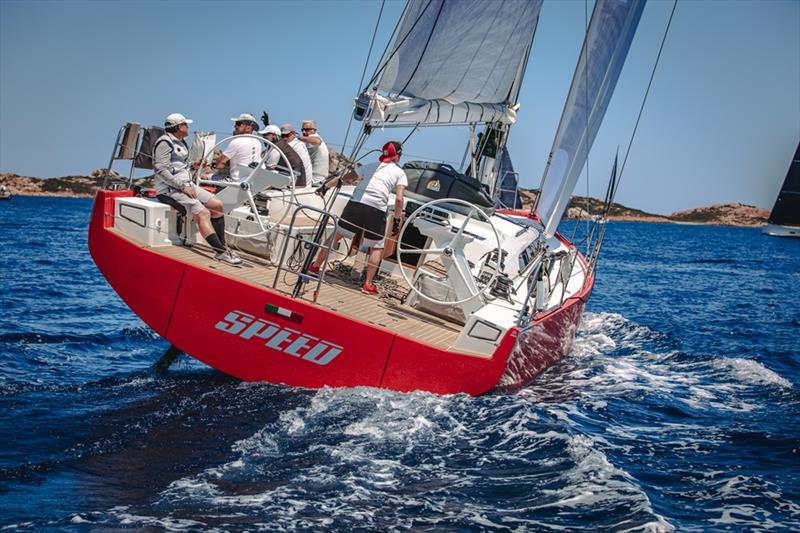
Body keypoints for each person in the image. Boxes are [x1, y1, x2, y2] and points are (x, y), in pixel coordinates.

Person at [309, 141, 407, 294]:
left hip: (356, 203)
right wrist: (396, 219)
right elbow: (399, 199)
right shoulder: (400, 173)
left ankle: (315, 266)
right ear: (398, 156)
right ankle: (367, 284)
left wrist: (326, 186)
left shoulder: (369, 166)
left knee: (337, 235)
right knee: (376, 246)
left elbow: (345, 178)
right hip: (376, 208)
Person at [153, 113, 242, 265]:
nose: (188, 127)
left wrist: (194, 165)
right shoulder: (165, 143)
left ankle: (223, 246)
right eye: (186, 125)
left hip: (187, 185)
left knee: (218, 205)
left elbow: (179, 165)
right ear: (178, 127)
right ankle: (220, 252)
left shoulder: (181, 142)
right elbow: (160, 169)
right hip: (171, 190)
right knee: (203, 213)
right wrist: (182, 187)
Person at [213, 113, 262, 181]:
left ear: (248, 127)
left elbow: (219, 163)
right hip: (252, 181)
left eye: (238, 124)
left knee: (210, 177)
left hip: (236, 182)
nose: (235, 126)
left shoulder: (236, 141)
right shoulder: (258, 142)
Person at [298, 119, 329, 186]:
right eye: (302, 130)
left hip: (315, 179)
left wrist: (299, 138)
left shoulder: (313, 137)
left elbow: (317, 141)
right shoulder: (311, 140)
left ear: (314, 130)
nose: (304, 131)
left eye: (307, 130)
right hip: (319, 179)